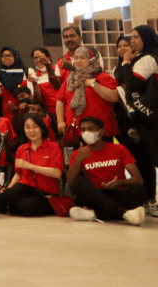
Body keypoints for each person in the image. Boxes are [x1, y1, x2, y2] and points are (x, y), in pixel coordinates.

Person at [67, 116, 147, 225]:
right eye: (83, 129)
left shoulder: (119, 149)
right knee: (79, 182)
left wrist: (120, 182)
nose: (86, 132)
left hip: (117, 192)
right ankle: (125, 214)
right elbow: (71, 181)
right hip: (95, 196)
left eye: (90, 129)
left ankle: (94, 214)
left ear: (101, 132)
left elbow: (138, 179)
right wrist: (78, 160)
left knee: (139, 189)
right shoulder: (78, 153)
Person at [120, 24, 158, 215]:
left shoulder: (149, 58)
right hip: (149, 117)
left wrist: (126, 62)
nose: (131, 41)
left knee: (153, 159)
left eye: (136, 37)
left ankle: (154, 199)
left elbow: (133, 85)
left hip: (151, 118)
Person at [0, 114, 63, 217]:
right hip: (23, 189)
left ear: (42, 128)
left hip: (45, 193)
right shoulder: (21, 149)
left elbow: (57, 173)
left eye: (35, 127)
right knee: (9, 195)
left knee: (24, 208)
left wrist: (30, 166)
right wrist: (8, 191)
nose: (31, 131)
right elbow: (18, 175)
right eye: (27, 127)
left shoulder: (53, 147)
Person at [57, 46, 119, 144]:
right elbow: (60, 100)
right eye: (76, 58)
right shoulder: (70, 79)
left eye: (83, 58)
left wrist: (92, 84)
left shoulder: (103, 77)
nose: (78, 61)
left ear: (92, 60)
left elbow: (114, 97)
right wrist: (60, 121)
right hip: (76, 130)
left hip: (100, 130)